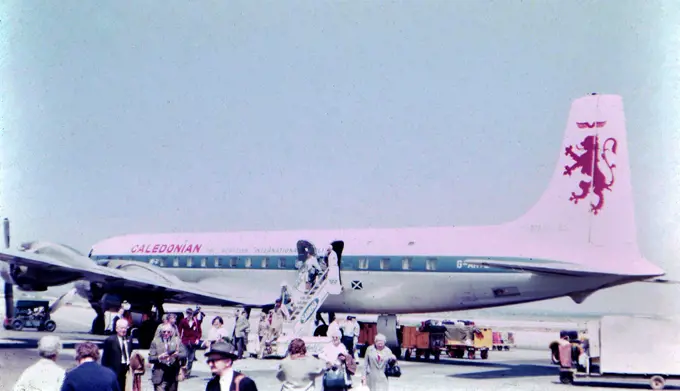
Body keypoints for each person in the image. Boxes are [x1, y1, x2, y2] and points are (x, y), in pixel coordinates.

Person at [148, 323, 188, 391]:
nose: (166, 333)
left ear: (171, 332)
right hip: (160, 373)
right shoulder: (155, 342)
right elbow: (150, 358)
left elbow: (184, 354)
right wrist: (159, 357)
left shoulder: (177, 341)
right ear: (161, 332)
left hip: (172, 373)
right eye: (164, 332)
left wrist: (177, 355)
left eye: (168, 332)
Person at [101, 318, 132, 390]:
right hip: (115, 370)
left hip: (126, 369)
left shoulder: (129, 339)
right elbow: (105, 358)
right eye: (121, 328)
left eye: (125, 328)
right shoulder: (110, 340)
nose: (124, 330)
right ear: (117, 329)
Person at [178, 306, 204, 377]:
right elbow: (179, 330)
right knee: (183, 356)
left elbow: (199, 331)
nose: (189, 315)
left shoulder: (196, 321)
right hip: (185, 341)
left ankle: (188, 373)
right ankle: (182, 371)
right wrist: (179, 339)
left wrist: (198, 339)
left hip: (193, 341)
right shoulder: (183, 321)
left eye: (190, 313)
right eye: (188, 313)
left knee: (191, 358)